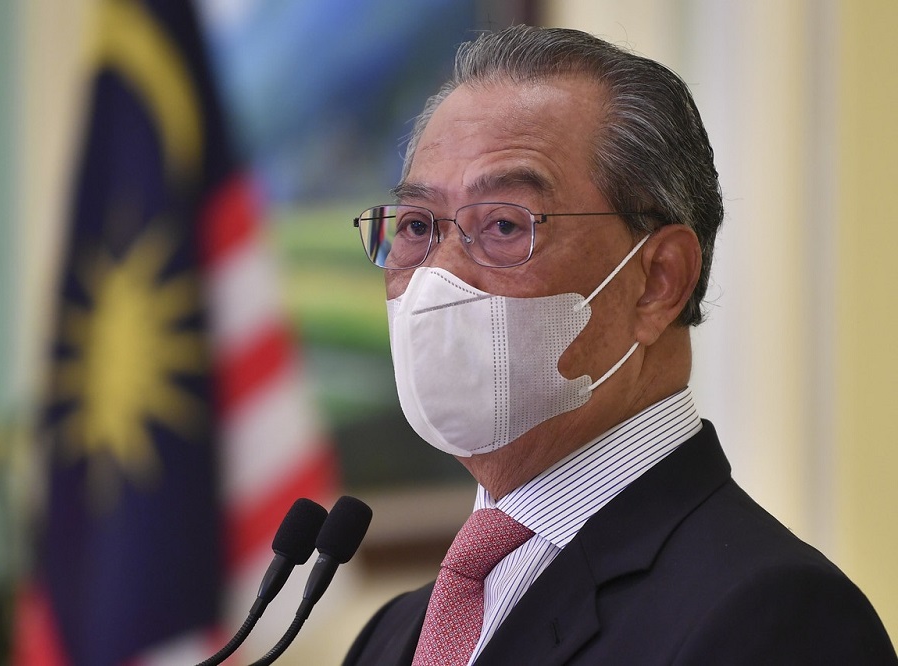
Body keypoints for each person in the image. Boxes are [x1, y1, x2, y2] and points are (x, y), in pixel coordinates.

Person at [343, 25, 897, 665]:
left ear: (658, 281)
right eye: (416, 226)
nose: (438, 277)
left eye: (501, 224)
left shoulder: (775, 619)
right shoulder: (393, 636)